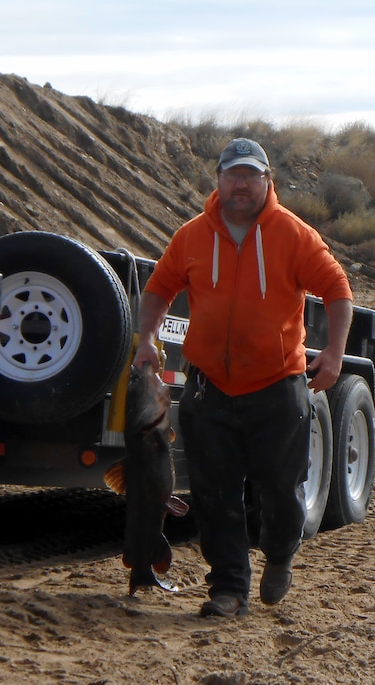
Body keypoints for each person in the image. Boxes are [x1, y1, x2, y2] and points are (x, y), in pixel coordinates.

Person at [132, 137, 353, 617]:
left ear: (267, 182)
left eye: (251, 175)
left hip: (278, 388)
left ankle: (279, 557)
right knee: (214, 497)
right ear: (218, 179)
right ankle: (228, 589)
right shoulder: (192, 236)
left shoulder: (292, 234)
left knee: (280, 493)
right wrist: (145, 337)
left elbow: (337, 287)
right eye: (232, 174)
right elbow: (159, 289)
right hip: (210, 388)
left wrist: (334, 353)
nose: (240, 184)